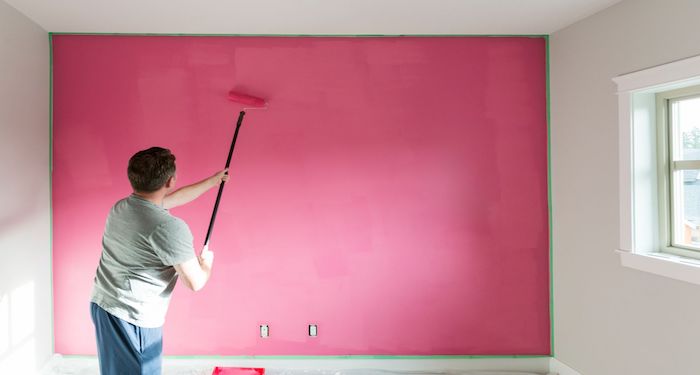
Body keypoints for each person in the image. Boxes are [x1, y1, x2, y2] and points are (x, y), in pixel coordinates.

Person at [89, 146, 228, 375]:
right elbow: (196, 283)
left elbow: (173, 199)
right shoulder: (168, 227)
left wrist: (213, 182)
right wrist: (206, 264)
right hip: (132, 317)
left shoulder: (122, 207)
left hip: (103, 304)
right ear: (170, 180)